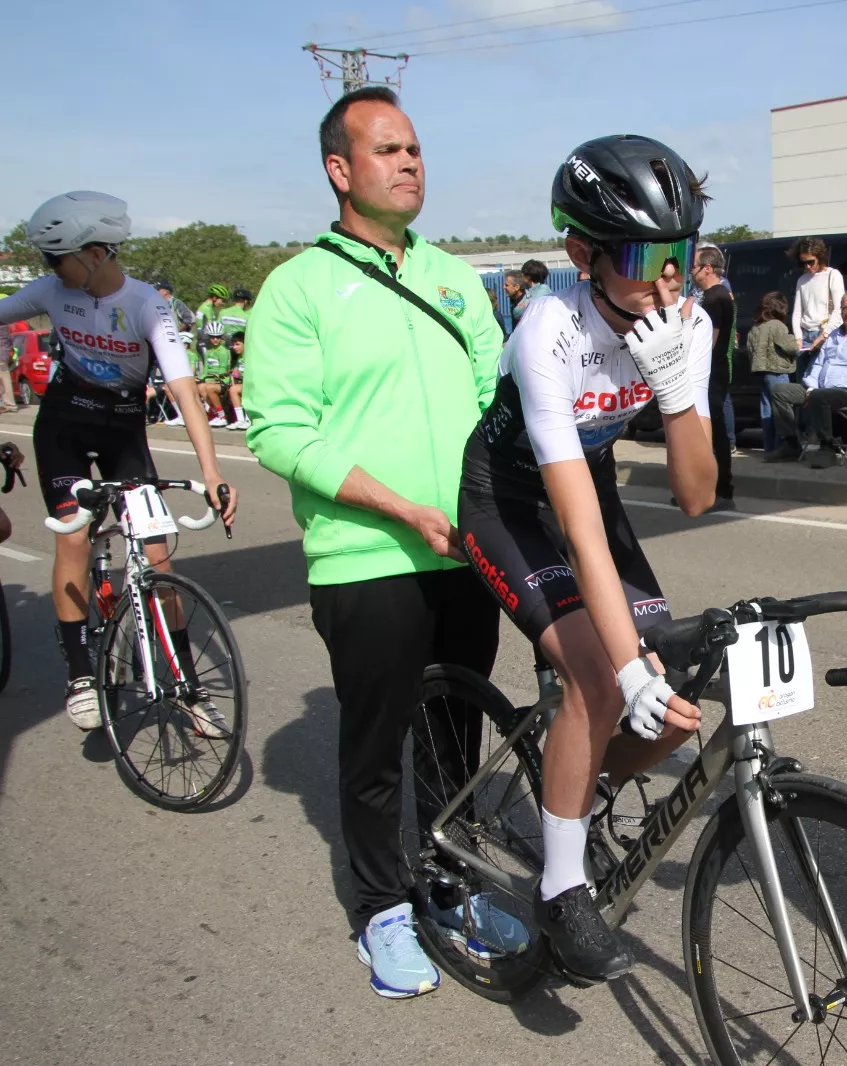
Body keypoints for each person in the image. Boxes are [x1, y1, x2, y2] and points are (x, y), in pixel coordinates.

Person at [244, 86, 516, 1001]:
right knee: (375, 751)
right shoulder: (297, 287)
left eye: (415, 149)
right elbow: (279, 429)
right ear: (340, 169)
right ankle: (380, 908)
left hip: (466, 552)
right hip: (368, 559)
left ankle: (449, 883)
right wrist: (400, 507)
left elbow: (491, 393)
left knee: (456, 734)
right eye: (388, 150)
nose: (409, 163)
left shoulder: (453, 277)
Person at [456, 134, 716, 984]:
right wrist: (622, 672)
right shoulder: (549, 329)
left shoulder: (686, 321)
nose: (669, 278)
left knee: (678, 695)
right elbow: (576, 527)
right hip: (509, 500)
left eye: (683, 252)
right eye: (647, 255)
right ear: (582, 251)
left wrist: (678, 394)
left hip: (588, 487)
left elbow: (697, 496)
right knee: (603, 679)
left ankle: (570, 786)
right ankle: (562, 889)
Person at [0, 191, 237, 731]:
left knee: (156, 557)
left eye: (56, 257)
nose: (49, 269)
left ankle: (185, 686)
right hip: (64, 423)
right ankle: (82, 674)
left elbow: (184, 393)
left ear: (97, 251)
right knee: (74, 536)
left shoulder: (145, 305)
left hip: (122, 429)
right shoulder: (51, 292)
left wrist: (213, 474)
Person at [769, 289, 847, 467]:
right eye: (844, 308)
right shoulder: (834, 334)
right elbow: (818, 364)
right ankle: (790, 443)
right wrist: (811, 387)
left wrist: (818, 391)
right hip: (820, 389)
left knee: (821, 397)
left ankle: (827, 448)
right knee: (780, 391)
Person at [690, 245, 736, 507]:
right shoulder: (713, 296)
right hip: (711, 372)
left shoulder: (716, 298)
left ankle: (723, 492)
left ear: (707, 268)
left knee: (715, 434)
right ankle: (704, 491)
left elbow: (711, 339)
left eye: (694, 267)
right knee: (704, 434)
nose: (691, 273)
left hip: (712, 373)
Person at [747, 291, 799, 458]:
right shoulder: (778, 326)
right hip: (778, 372)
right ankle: (780, 447)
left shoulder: (756, 327)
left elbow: (750, 350)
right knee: (781, 410)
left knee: (767, 410)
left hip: (761, 373)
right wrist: (796, 342)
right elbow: (790, 347)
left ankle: (768, 448)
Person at [789, 235, 843, 354]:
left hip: (826, 332)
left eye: (811, 262)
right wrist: (798, 337)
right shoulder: (802, 280)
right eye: (804, 263)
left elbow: (839, 309)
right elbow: (797, 313)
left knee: (823, 371)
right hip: (805, 335)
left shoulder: (833, 275)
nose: (807, 266)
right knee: (804, 373)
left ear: (819, 257)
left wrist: (824, 335)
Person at [196, 321, 231, 425]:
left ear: (221, 337)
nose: (215, 340)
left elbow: (223, 370)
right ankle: (213, 413)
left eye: (218, 337)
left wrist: (209, 379)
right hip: (210, 379)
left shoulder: (223, 351)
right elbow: (206, 369)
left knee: (208, 387)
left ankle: (222, 416)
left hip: (222, 380)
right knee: (200, 387)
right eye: (212, 337)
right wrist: (199, 378)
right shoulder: (209, 351)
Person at [225, 331, 248, 431]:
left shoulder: (251, 355)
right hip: (245, 384)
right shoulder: (239, 358)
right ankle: (240, 420)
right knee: (233, 389)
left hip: (255, 385)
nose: (235, 347)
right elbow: (236, 372)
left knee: (236, 389)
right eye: (233, 344)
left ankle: (248, 420)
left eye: (237, 344)